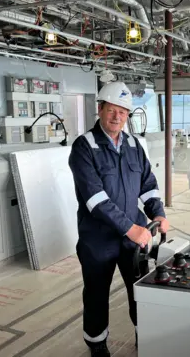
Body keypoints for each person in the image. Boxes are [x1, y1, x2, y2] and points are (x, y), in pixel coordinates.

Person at [68, 81, 169, 357]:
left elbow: (148, 184)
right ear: (99, 109)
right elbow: (95, 199)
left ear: (128, 115)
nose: (117, 117)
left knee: (141, 290)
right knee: (97, 294)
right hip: (98, 238)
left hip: (134, 236)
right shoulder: (84, 147)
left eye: (123, 112)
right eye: (112, 110)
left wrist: (157, 212)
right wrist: (130, 228)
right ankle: (97, 344)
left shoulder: (135, 145)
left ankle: (143, 332)